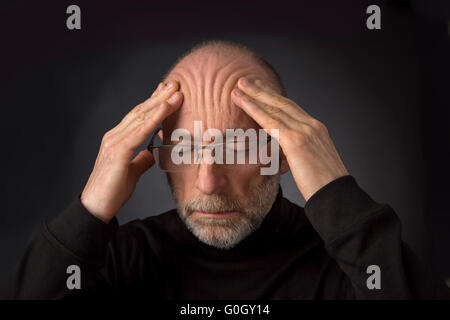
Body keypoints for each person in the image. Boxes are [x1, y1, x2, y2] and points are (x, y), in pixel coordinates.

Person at [9, 40, 449, 299]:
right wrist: (87, 212)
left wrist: (336, 192)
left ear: (282, 154)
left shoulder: (344, 267)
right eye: (185, 149)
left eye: (236, 149)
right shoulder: (124, 259)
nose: (206, 181)